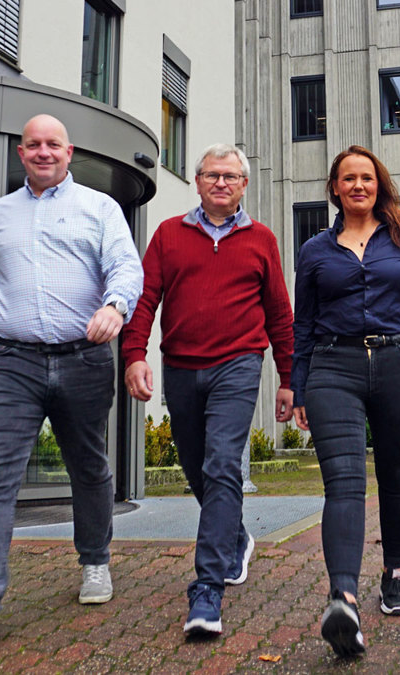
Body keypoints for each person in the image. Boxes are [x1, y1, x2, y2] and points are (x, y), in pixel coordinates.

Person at [0, 114, 143, 654]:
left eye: (53, 144)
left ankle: (95, 560)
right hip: (10, 359)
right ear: (21, 153)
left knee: (88, 466)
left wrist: (115, 307)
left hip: (83, 358)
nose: (44, 152)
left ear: (69, 152)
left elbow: (126, 267)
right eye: (34, 145)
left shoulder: (99, 207)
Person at [120, 143, 294, 638]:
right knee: (197, 467)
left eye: (230, 176)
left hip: (238, 364)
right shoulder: (168, 235)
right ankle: (235, 537)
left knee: (221, 465)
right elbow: (145, 299)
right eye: (212, 175)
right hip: (180, 367)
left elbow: (279, 314)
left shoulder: (262, 240)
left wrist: (288, 379)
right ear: (197, 182)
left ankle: (207, 590)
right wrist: (134, 354)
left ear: (244, 185)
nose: (221, 182)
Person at [292, 145, 400, 657]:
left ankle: (394, 572)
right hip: (333, 368)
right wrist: (298, 384)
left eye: (367, 177)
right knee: (343, 482)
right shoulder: (315, 250)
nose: (358, 185)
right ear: (334, 188)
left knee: (397, 479)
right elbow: (304, 323)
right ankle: (343, 599)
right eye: (348, 178)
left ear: (379, 185)